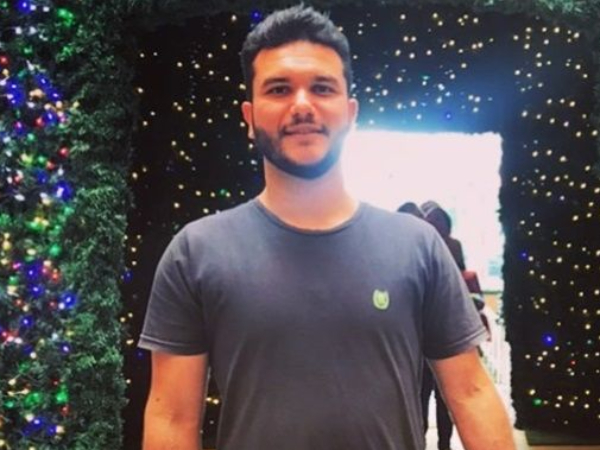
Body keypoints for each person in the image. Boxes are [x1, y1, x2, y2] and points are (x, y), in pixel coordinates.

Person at [139, 5, 516, 450]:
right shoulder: (196, 252)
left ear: (350, 113)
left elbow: (472, 394)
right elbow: (172, 417)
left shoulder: (417, 247)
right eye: (279, 89)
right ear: (249, 117)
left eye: (322, 88)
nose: (302, 105)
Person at [419, 201, 466, 450]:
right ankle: (433, 443)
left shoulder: (448, 246)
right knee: (428, 396)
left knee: (437, 397)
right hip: (429, 336)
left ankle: (442, 443)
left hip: (441, 335)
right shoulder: (422, 246)